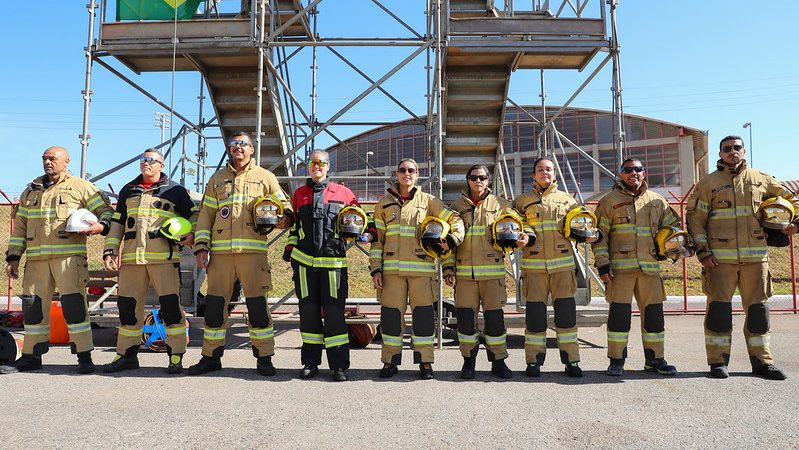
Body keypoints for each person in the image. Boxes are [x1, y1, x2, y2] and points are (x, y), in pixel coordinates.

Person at [686, 135, 798, 380]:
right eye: (727, 149)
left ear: (744, 151)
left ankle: (762, 362)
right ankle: (717, 362)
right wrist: (703, 252)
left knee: (759, 312)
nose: (732, 152)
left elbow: (792, 200)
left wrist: (795, 224)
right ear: (721, 153)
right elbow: (696, 220)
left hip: (756, 259)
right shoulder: (707, 184)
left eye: (737, 148)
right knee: (719, 311)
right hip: (719, 261)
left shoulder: (762, 179)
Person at [188, 131, 292, 376]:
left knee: (257, 307)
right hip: (221, 256)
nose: (238, 148)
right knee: (214, 308)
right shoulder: (217, 179)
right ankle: (211, 356)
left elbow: (284, 207)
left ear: (252, 149)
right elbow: (205, 217)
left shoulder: (265, 177)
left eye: (243, 144)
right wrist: (201, 247)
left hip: (253, 254)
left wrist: (284, 219)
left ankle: (264, 357)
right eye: (234, 144)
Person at [1, 146, 113, 374]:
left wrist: (101, 227)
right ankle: (32, 357)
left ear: (66, 161)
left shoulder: (81, 187)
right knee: (32, 309)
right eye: (45, 158)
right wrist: (13, 257)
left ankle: (84, 357)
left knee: (74, 308)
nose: (48, 162)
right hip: (36, 262)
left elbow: (107, 212)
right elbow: (20, 227)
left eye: (53, 158)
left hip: (69, 259)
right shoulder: (31, 191)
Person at [101, 149, 198, 374]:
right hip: (132, 261)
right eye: (143, 160)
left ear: (161, 165)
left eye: (151, 160)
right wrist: (110, 250)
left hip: (164, 260)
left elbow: (194, 216)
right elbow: (118, 223)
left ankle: (175, 356)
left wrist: (191, 234)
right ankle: (126, 356)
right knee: (127, 309)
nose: (146, 163)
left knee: (171, 309)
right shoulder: (128, 190)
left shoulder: (175, 191)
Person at [283, 150, 373, 382]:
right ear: (308, 167)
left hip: (333, 265)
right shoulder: (299, 194)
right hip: (304, 265)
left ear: (328, 166)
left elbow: (361, 220)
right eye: (313, 163)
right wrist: (290, 249)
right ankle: (310, 363)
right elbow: (295, 228)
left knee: (334, 316)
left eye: (321, 163)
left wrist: (366, 234)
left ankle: (339, 366)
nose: (317, 166)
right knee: (308, 315)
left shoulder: (344, 193)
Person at [370, 159, 464, 379]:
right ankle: (390, 362)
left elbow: (454, 219)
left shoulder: (430, 202)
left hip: (423, 272)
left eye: (411, 170)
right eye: (402, 170)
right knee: (391, 319)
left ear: (417, 174)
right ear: (396, 173)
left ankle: (425, 362)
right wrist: (376, 270)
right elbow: (377, 241)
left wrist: (452, 239)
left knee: (423, 319)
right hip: (392, 274)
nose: (406, 174)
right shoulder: (383, 204)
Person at [593, 158, 682, 377]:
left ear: (644, 173)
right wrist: (603, 265)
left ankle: (655, 360)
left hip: (649, 269)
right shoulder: (608, 202)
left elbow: (674, 229)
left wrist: (675, 246)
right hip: (619, 271)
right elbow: (599, 238)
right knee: (619, 317)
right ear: (621, 175)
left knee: (654, 317)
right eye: (628, 170)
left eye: (638, 169)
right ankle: (616, 361)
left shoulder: (658, 201)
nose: (633, 173)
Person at [512, 157, 595, 378]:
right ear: (533, 175)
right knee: (535, 319)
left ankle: (572, 362)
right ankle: (533, 362)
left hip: (563, 269)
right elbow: (513, 227)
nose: (544, 172)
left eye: (548, 169)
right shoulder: (521, 202)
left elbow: (581, 225)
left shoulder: (568, 201)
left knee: (566, 317)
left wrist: (589, 233)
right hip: (534, 269)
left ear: (554, 173)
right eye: (540, 169)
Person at [443, 165, 520, 379]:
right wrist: (448, 268)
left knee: (495, 321)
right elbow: (451, 244)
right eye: (474, 177)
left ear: (489, 180)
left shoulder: (502, 205)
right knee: (466, 322)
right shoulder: (455, 207)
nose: (479, 181)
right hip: (464, 276)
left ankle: (499, 362)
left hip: (492, 276)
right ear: (467, 180)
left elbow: (517, 228)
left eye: (483, 177)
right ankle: (469, 362)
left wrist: (520, 240)